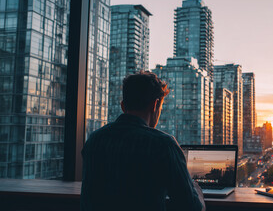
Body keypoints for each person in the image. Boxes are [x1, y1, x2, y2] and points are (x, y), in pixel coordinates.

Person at [81, 71, 205, 211]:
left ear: (123, 106)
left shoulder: (94, 140)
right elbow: (191, 207)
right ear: (154, 105)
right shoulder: (164, 144)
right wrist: (198, 193)